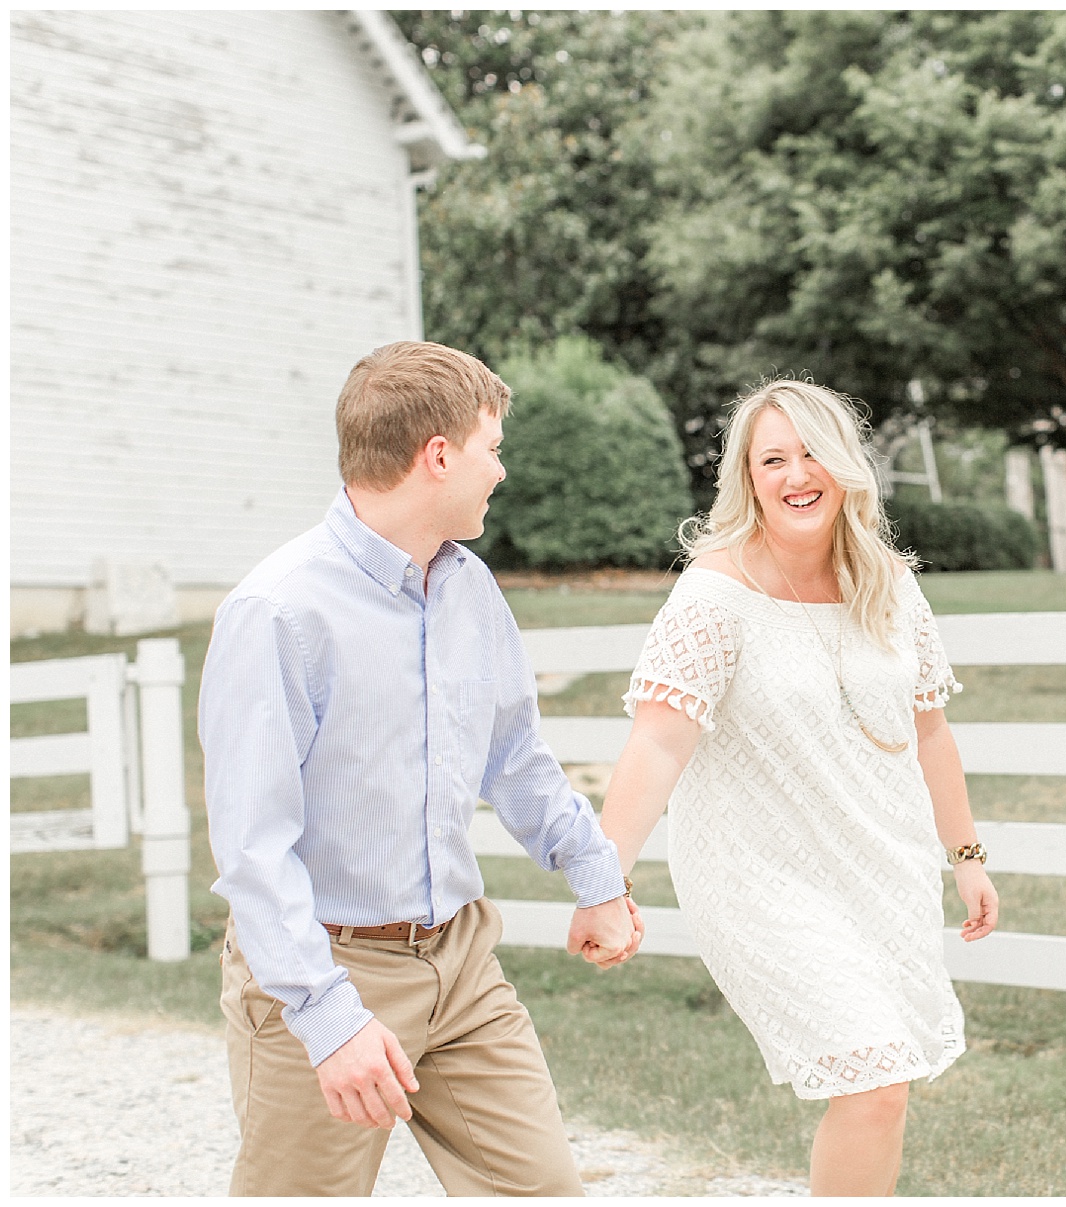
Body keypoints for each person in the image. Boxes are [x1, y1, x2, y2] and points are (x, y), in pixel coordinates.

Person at [198, 341, 644, 1196]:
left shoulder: (469, 588)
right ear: (437, 455)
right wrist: (328, 1017)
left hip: (462, 962)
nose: (500, 471)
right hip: (323, 967)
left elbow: (517, 756)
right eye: (492, 448)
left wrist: (597, 877)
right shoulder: (278, 611)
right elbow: (253, 850)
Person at [599, 379, 1000, 1196]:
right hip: (759, 876)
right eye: (771, 458)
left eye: (811, 451)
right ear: (748, 479)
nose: (794, 473)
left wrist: (966, 856)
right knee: (872, 1081)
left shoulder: (889, 586)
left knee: (884, 1097)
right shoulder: (715, 595)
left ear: (845, 465)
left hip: (878, 868)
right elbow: (656, 742)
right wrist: (602, 881)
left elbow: (930, 732)